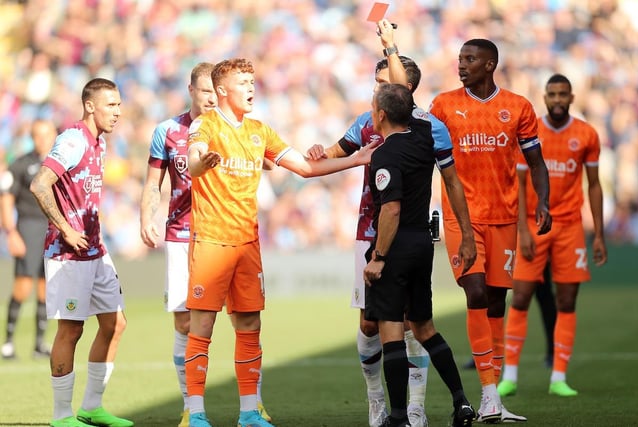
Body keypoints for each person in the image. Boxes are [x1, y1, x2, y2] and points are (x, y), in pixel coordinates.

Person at [185, 57, 379, 427]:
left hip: (247, 245)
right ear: (222, 89)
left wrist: (357, 159)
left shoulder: (260, 131)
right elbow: (194, 160)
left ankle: (248, 413)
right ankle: (195, 413)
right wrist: (201, 164)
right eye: (243, 82)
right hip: (211, 240)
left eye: (252, 81)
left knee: (249, 326)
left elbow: (305, 168)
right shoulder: (204, 124)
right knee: (203, 327)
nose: (251, 88)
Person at [305, 22, 435, 427]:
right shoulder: (366, 121)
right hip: (370, 230)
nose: (376, 89)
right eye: (374, 82)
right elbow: (326, 156)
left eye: (384, 82)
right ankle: (375, 399)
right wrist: (317, 153)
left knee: (414, 321)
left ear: (406, 88)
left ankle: (415, 405)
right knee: (368, 321)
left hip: (412, 230)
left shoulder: (425, 125)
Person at [139, 62, 272, 427]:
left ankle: (253, 405)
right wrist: (146, 216)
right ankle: (190, 407)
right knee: (187, 323)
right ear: (192, 91)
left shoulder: (231, 127)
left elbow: (261, 158)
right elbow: (153, 182)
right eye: (204, 92)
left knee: (245, 319)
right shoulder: (168, 131)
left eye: (215, 92)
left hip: (224, 234)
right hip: (183, 233)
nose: (211, 98)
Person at [429, 38, 552, 423]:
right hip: (461, 218)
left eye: (470, 59)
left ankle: (493, 397)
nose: (461, 64)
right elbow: (421, 150)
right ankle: (486, 392)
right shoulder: (443, 105)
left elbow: (536, 162)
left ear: (490, 64)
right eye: (460, 58)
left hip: (503, 216)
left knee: (496, 301)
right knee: (476, 289)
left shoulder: (518, 107)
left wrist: (543, 202)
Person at [363, 79, 477, 427]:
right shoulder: (425, 138)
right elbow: (452, 180)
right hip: (422, 244)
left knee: (392, 330)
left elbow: (391, 209)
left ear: (381, 115)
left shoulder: (384, 155)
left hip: (395, 247)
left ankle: (398, 416)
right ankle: (461, 402)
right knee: (425, 327)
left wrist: (378, 256)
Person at [29, 78, 133, 427]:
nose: (118, 112)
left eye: (119, 105)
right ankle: (61, 416)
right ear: (90, 106)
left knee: (114, 323)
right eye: (111, 105)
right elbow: (40, 183)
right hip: (67, 252)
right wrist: (65, 228)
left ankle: (91, 407)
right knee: (71, 330)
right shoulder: (73, 139)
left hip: (95, 249)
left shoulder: (100, 143)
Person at [497, 73, 607, 398]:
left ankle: (559, 376)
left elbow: (595, 185)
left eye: (563, 94)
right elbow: (517, 185)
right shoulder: (531, 132)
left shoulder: (586, 134)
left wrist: (598, 234)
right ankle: (511, 376)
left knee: (567, 300)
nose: (558, 99)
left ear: (572, 98)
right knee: (519, 297)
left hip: (570, 225)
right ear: (544, 98)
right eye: (552, 94)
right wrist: (521, 231)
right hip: (532, 223)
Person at [0, 119, 56, 360]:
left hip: (52, 227)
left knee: (46, 288)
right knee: (23, 286)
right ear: (32, 137)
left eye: (46, 134)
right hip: (29, 227)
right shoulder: (22, 164)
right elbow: (6, 198)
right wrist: (11, 232)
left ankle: (39, 344)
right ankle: (9, 343)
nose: (42, 139)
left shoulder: (60, 163)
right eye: (37, 135)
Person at [463, 263, 556, 370]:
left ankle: (553, 352)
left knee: (543, 294)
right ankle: (483, 354)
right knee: (491, 293)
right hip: (507, 248)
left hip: (534, 251)